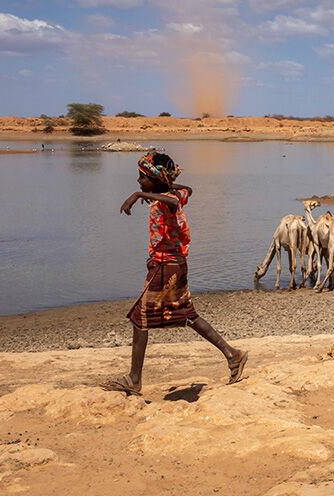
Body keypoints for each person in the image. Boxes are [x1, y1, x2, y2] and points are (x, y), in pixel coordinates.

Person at [100, 151, 247, 396]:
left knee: (140, 317)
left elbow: (175, 202)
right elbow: (187, 189)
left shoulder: (169, 201)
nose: (138, 181)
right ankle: (233, 355)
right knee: (186, 314)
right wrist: (158, 189)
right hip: (173, 264)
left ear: (156, 181)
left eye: (143, 177)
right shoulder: (172, 193)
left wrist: (140, 195)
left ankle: (134, 380)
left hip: (166, 265)